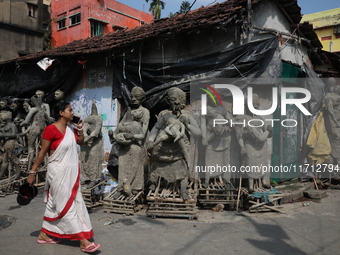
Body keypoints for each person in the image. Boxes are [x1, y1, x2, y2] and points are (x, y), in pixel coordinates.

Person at [26, 102, 101, 254]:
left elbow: (80, 142)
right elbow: (42, 153)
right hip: (58, 173)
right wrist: (32, 172)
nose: (72, 113)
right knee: (66, 206)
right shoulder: (50, 129)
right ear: (61, 112)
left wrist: (80, 128)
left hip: (71, 174)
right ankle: (82, 240)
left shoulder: (71, 129)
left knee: (57, 204)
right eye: (70, 110)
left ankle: (44, 234)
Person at [111, 87, 150, 198]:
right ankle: (121, 187)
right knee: (123, 166)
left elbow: (144, 130)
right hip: (124, 145)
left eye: (137, 96)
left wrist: (133, 137)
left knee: (136, 166)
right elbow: (119, 127)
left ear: (142, 98)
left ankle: (136, 187)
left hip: (137, 143)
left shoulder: (145, 112)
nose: (134, 99)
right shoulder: (129, 111)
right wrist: (113, 135)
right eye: (132, 96)